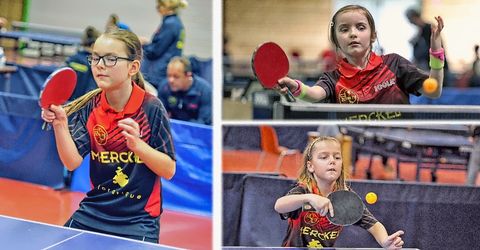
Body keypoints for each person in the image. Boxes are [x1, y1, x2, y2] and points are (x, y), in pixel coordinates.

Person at [41, 29, 176, 243]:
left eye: (111, 59)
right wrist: (60, 124)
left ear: (133, 67)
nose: (100, 65)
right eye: (95, 57)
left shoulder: (151, 108)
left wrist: (138, 145)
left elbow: (169, 170)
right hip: (93, 212)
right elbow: (72, 161)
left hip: (137, 220)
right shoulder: (90, 107)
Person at [275, 5, 445, 104]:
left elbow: (434, 90)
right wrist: (295, 85)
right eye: (344, 29)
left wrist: (436, 50)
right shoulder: (333, 78)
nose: (353, 34)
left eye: (361, 27)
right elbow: (313, 94)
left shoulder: (395, 64)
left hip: (396, 140)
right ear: (336, 39)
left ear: (373, 35)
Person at [274, 136, 404, 249]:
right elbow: (279, 206)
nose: (332, 161)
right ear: (310, 166)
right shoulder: (303, 190)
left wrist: (385, 241)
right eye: (324, 157)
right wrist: (309, 198)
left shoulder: (345, 197)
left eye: (337, 157)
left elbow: (373, 224)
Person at [141, 0, 188, 88]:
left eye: (158, 6)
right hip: (164, 70)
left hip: (159, 73)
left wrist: (143, 45)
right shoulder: (177, 23)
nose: (157, 9)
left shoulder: (170, 24)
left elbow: (155, 51)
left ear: (165, 7)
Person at [157, 56, 212, 125]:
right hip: (173, 129)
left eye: (176, 76)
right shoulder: (164, 87)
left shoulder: (205, 91)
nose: (171, 80)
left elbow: (204, 122)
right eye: (169, 76)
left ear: (188, 75)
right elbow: (159, 116)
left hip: (195, 130)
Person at [65, 26, 100, 100]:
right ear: (93, 45)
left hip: (66, 104)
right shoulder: (93, 64)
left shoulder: (71, 59)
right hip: (82, 105)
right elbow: (92, 91)